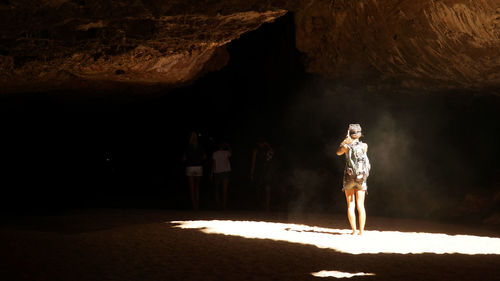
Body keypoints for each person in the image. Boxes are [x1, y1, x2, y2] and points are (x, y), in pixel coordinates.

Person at [336, 124, 371, 235]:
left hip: (349, 177)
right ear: (360, 133)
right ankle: (361, 231)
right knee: (361, 205)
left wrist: (346, 139)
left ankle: (354, 231)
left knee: (351, 205)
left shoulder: (346, 146)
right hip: (361, 177)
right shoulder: (365, 146)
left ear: (349, 134)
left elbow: (338, 152)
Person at [183, 131, 206, 210]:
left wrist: (190, 159)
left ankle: (194, 206)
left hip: (190, 167)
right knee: (197, 187)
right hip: (198, 167)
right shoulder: (199, 146)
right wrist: (198, 159)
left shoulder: (188, 146)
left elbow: (184, 158)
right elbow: (204, 157)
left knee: (192, 188)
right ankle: (198, 205)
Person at [251, 137, 274, 212]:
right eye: (260, 143)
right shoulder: (256, 150)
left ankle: (267, 206)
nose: (261, 144)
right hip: (259, 171)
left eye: (262, 142)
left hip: (267, 171)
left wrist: (268, 145)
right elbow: (253, 162)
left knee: (267, 189)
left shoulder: (267, 150)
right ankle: (259, 205)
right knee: (259, 189)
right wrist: (252, 173)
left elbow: (272, 153)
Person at [211, 141, 232, 210]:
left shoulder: (215, 153)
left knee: (217, 189)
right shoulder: (226, 152)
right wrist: (228, 146)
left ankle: (219, 204)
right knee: (224, 190)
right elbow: (231, 153)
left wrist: (211, 173)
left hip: (218, 172)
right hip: (225, 172)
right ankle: (223, 205)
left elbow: (213, 164)